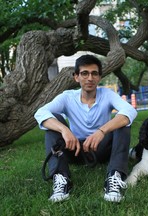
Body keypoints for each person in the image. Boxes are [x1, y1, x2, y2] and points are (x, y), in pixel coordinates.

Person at [34, 54, 137, 203]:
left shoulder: (107, 94)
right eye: (84, 73)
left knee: (123, 122)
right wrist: (65, 130)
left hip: (100, 150)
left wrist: (101, 131)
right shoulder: (67, 97)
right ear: (76, 77)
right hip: (73, 150)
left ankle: (114, 177)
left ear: (99, 77)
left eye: (94, 73)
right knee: (53, 119)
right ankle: (61, 179)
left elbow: (130, 111)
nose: (90, 78)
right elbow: (40, 113)